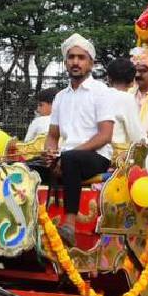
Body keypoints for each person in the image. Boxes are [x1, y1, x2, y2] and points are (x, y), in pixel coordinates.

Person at [43, 34, 115, 242]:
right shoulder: (60, 97)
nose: (75, 62)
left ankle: (69, 225)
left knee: (71, 159)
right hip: (66, 157)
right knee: (29, 168)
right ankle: (29, 223)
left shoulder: (101, 91)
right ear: (65, 62)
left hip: (95, 157)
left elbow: (105, 135)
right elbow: (52, 135)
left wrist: (65, 156)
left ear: (90, 63)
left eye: (81, 58)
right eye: (71, 57)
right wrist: (50, 154)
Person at [104, 57, 146, 146]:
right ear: (132, 82)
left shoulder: (98, 95)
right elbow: (137, 136)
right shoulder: (127, 99)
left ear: (108, 79)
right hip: (115, 155)